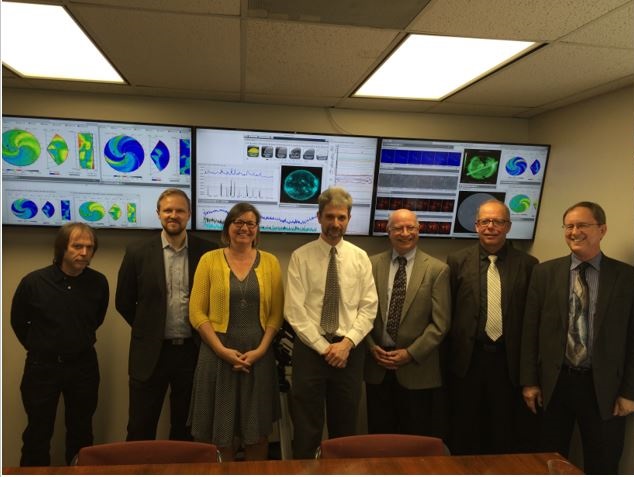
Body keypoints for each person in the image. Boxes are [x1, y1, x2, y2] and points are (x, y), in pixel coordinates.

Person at [521, 201, 634, 474]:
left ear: (602, 229)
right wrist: (529, 382)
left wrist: (629, 391)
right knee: (549, 460)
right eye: (569, 226)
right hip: (555, 384)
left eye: (582, 225)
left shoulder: (626, 277)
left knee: (604, 462)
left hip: (604, 388)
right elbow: (530, 330)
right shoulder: (544, 273)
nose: (574, 232)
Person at [284, 186, 378, 459]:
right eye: (329, 217)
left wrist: (346, 344)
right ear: (318, 217)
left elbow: (369, 307)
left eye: (341, 217)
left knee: (345, 428)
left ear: (348, 218)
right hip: (311, 352)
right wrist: (324, 347)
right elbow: (294, 310)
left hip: (349, 352)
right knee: (306, 428)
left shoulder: (360, 258)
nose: (335, 224)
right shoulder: (301, 256)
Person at [115, 188, 216, 441]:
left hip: (192, 352)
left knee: (187, 429)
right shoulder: (137, 251)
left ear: (189, 215)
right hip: (150, 353)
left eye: (180, 210)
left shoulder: (208, 252)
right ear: (158, 213)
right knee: (140, 427)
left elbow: (215, 301)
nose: (174, 215)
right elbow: (123, 301)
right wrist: (149, 328)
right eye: (168, 210)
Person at [188, 202, 284, 461]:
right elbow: (196, 312)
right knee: (220, 433)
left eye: (250, 223)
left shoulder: (271, 262)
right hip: (217, 356)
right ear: (228, 227)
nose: (244, 228)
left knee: (257, 432)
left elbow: (276, 313)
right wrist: (221, 351)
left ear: (257, 229)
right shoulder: (209, 260)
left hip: (258, 357)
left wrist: (261, 350)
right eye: (238, 222)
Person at [10, 223, 109, 466]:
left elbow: (96, 319)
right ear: (62, 248)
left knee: (82, 432)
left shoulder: (99, 282)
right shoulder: (34, 282)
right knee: (37, 432)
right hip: (42, 368)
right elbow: (18, 323)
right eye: (77, 246)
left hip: (83, 366)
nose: (84, 252)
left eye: (89, 247)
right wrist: (44, 346)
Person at [446, 199, 538, 455]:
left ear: (508, 226)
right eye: (485, 221)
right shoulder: (456, 261)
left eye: (497, 221)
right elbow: (448, 313)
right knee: (464, 431)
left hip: (508, 364)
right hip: (468, 361)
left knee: (503, 432)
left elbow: (532, 320)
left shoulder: (529, 265)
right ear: (476, 226)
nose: (490, 227)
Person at [365, 209, 451, 435]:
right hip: (377, 366)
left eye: (410, 228)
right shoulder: (370, 265)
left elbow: (440, 324)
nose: (405, 233)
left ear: (418, 229)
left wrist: (410, 353)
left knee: (414, 439)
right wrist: (371, 348)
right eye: (398, 228)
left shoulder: (437, 270)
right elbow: (358, 313)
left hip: (417, 370)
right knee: (379, 436)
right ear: (388, 231)